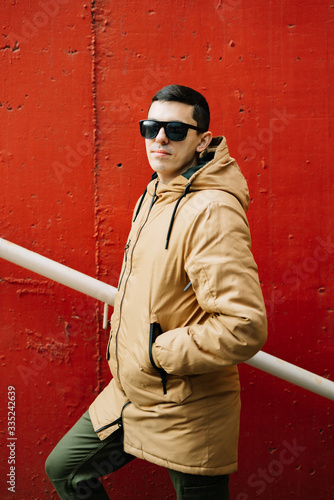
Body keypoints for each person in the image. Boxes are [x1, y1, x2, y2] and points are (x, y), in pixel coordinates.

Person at [45, 84, 267, 499]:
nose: (159, 138)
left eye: (175, 130)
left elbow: (244, 326)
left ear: (202, 141)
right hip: (133, 393)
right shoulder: (155, 194)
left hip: (188, 406)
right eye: (150, 127)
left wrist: (155, 354)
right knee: (66, 469)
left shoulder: (212, 210)